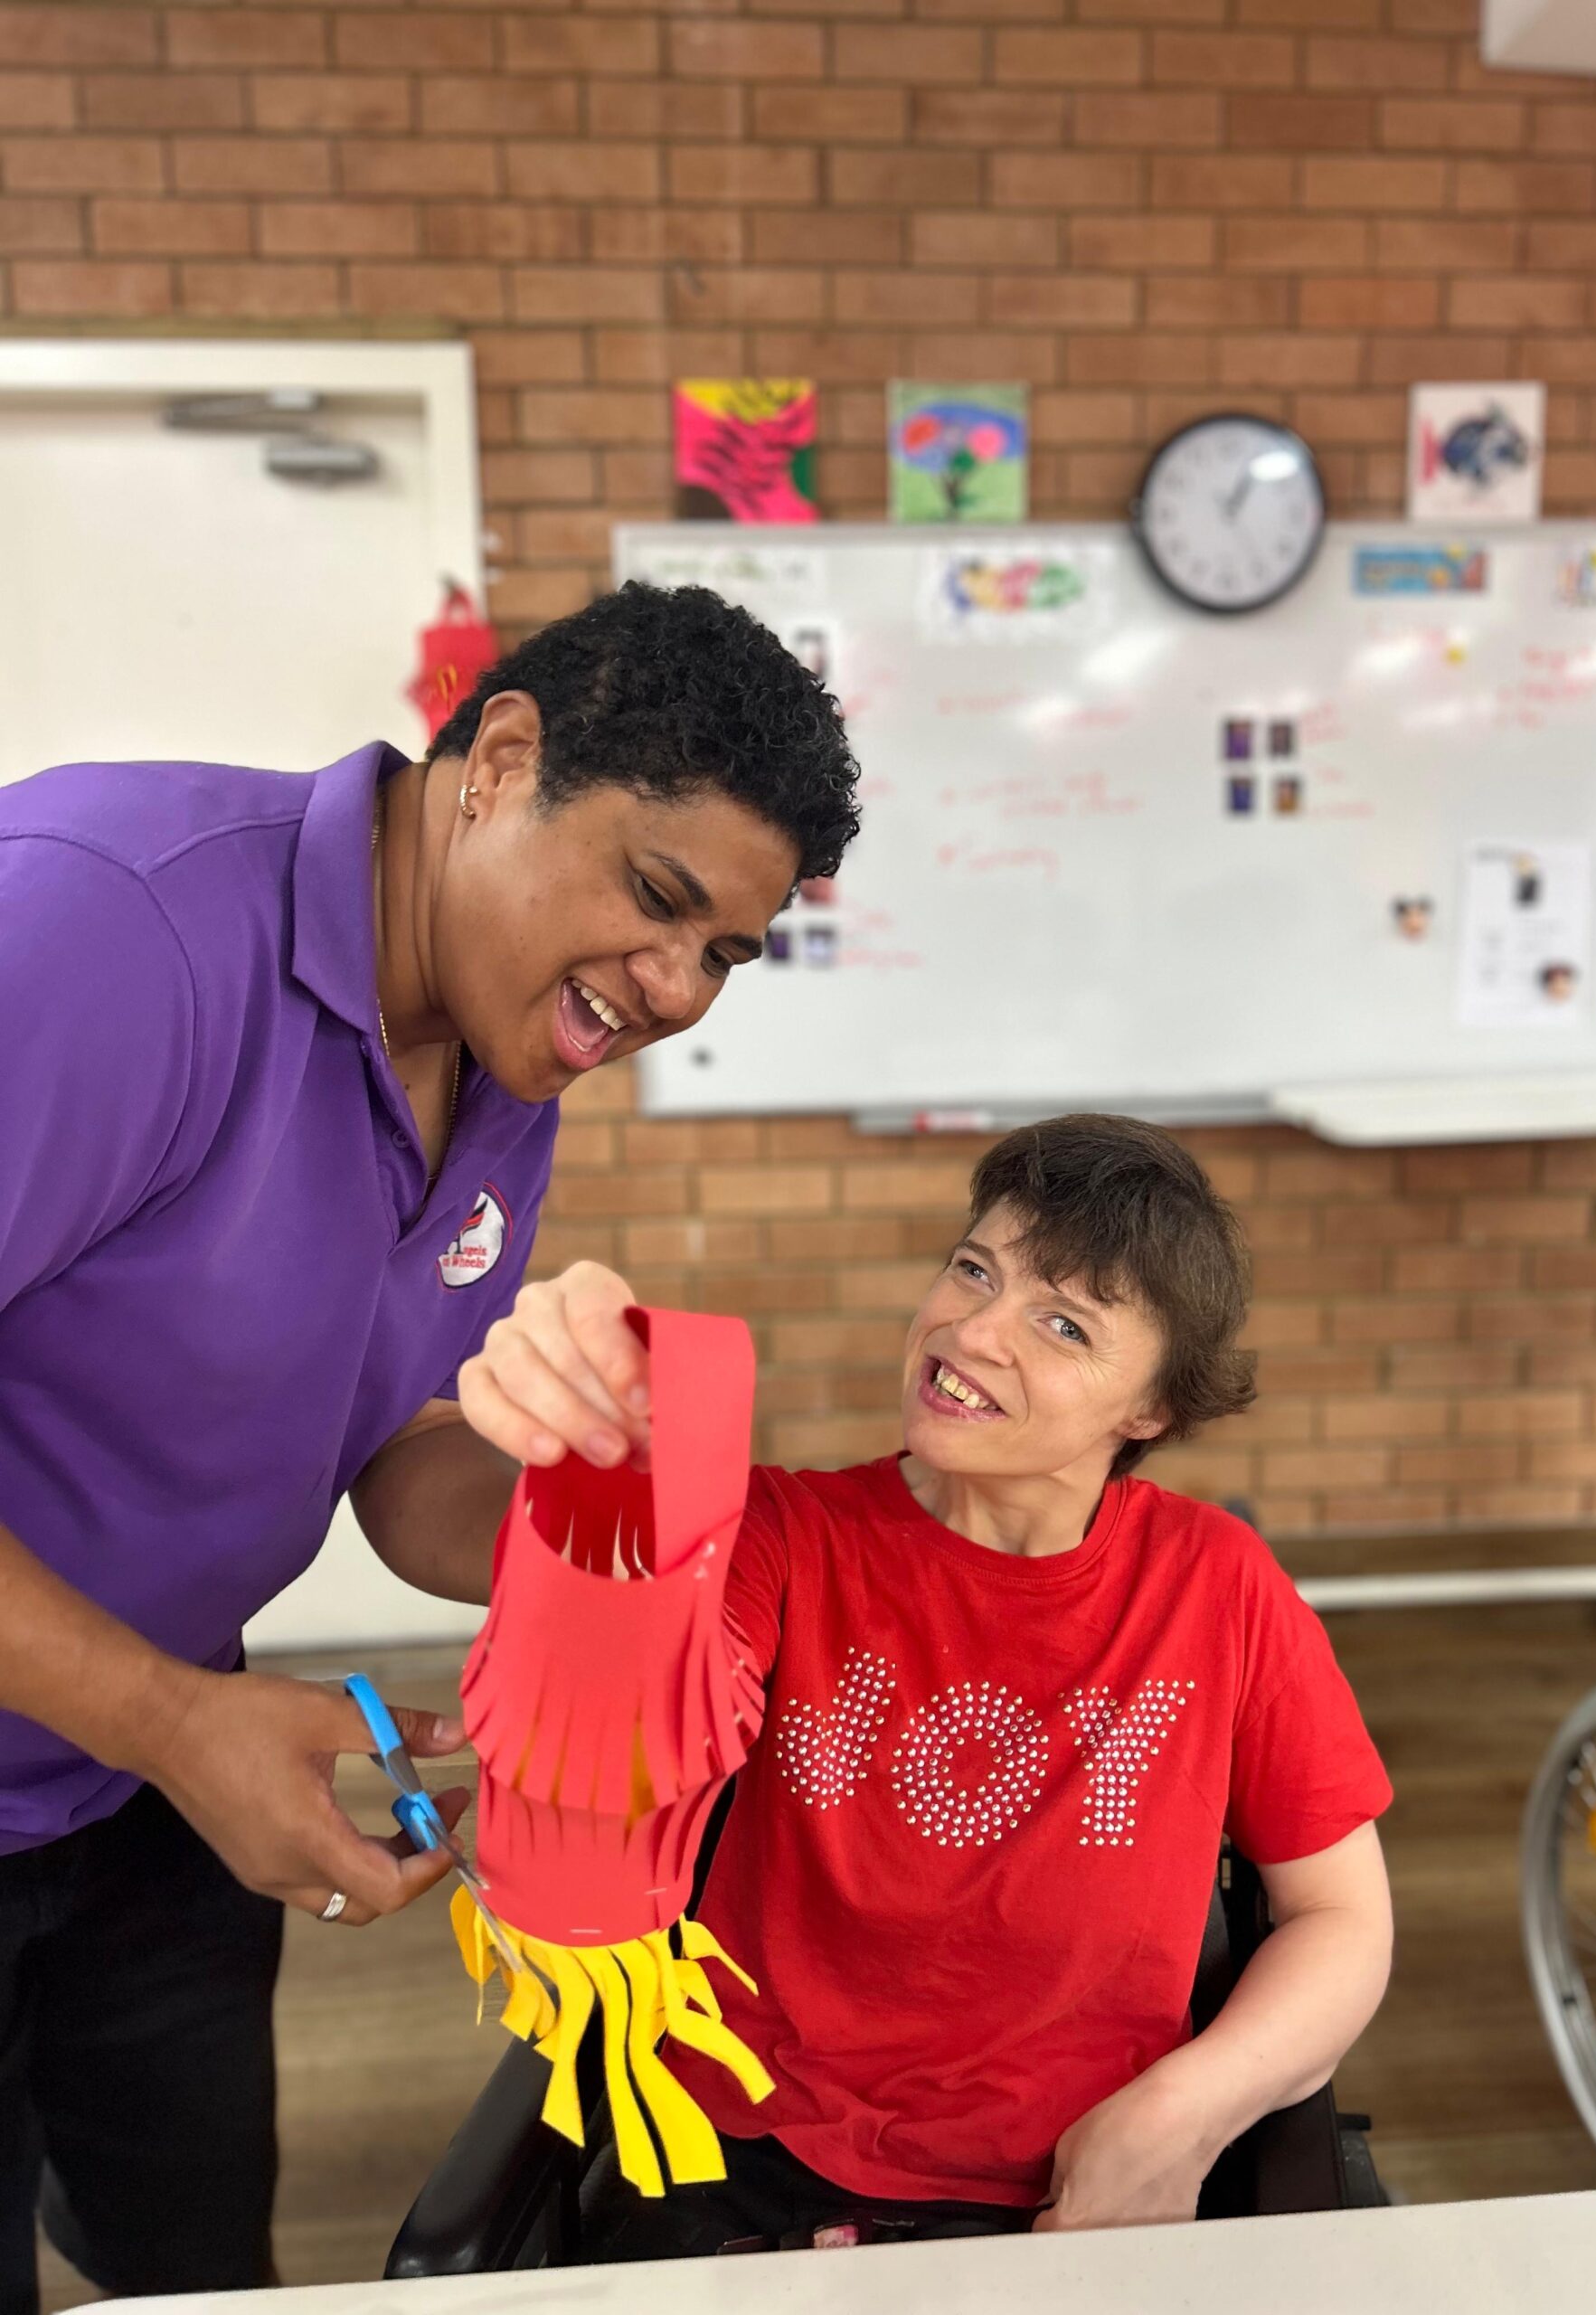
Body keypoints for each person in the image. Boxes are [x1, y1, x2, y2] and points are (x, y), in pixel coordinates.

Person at [0, 580, 859, 2312]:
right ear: (503, 761)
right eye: (660, 901)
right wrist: (177, 1720)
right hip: (146, 1718)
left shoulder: (500, 1054)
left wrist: (616, 1524)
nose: (676, 989)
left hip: (140, 1779)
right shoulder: (106, 928)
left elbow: (395, 1447)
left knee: (189, 2251)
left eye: (725, 954)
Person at [461, 1113, 1394, 2249]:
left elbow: (1340, 1917)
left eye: (1062, 1323)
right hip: (747, 2164)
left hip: (1079, 2181)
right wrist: (610, 1456)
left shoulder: (1218, 1584)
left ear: (1149, 1409)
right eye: (972, 1269)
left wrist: (1179, 2118)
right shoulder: (785, 1534)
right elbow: (644, 1731)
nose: (974, 1331)